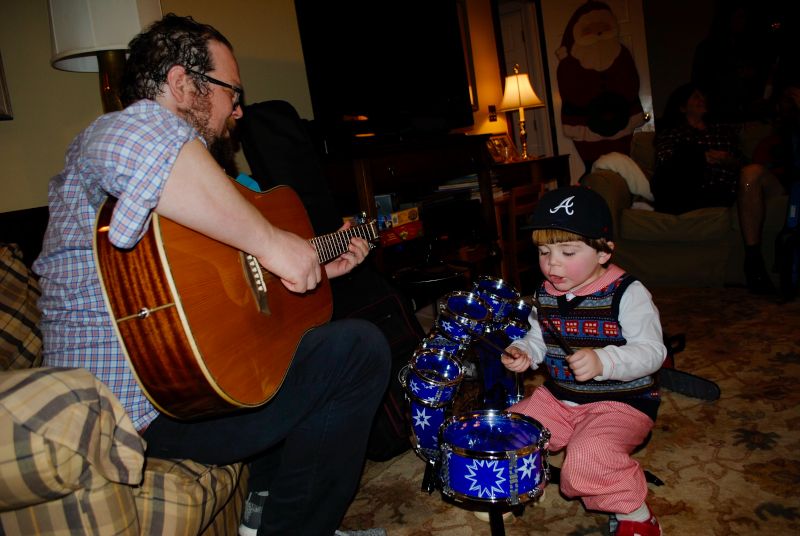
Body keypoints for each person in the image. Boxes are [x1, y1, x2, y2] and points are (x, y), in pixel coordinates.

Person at [32, 14, 391, 536]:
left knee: (303, 341)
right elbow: (142, 141)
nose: (239, 110)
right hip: (146, 408)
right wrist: (272, 243)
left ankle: (265, 509)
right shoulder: (116, 131)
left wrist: (315, 260)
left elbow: (221, 288)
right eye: (231, 92)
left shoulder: (205, 187)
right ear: (181, 84)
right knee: (356, 350)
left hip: (187, 390)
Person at [501, 186, 666, 536]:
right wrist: (525, 352)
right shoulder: (545, 293)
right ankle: (527, 483)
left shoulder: (628, 293)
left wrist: (605, 361)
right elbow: (537, 336)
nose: (552, 263)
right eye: (544, 252)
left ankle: (637, 516)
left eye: (568, 251)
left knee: (586, 460)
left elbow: (653, 352)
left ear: (604, 252)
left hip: (621, 403)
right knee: (510, 431)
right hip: (560, 397)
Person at [652, 83, 785, 293]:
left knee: (750, 176)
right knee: (682, 162)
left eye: (703, 96)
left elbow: (744, 164)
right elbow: (665, 163)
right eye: (695, 97)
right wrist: (701, 156)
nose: (701, 100)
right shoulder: (673, 133)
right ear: (682, 107)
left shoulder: (722, 132)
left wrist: (728, 161)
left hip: (729, 191)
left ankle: (753, 261)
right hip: (692, 192)